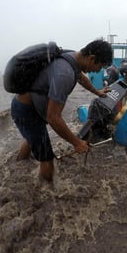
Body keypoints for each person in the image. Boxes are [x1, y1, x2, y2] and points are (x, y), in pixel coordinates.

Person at [11, 39, 113, 182]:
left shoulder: (73, 57)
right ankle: (47, 192)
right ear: (91, 58)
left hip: (29, 106)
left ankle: (17, 168)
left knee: (32, 138)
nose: (98, 71)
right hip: (27, 111)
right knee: (47, 159)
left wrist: (97, 92)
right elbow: (54, 118)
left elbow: (81, 78)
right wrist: (76, 143)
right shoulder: (64, 75)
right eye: (100, 66)